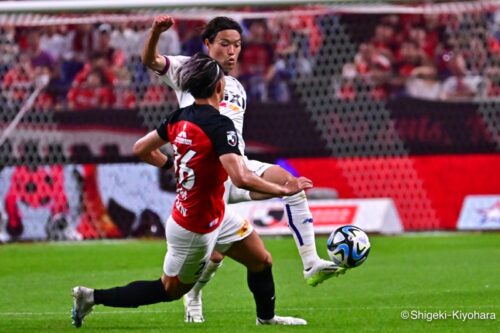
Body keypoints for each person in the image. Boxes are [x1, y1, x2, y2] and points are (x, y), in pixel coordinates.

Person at [71, 53, 311, 327]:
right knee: (168, 290)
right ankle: (91, 297)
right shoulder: (220, 125)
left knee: (261, 260)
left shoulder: (179, 117)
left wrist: (170, 165)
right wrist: (283, 189)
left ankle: (266, 319)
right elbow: (241, 178)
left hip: (211, 213)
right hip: (195, 229)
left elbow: (141, 148)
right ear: (219, 87)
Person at [141, 15, 346, 323]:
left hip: (237, 165)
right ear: (208, 44)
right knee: (215, 257)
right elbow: (150, 60)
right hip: (212, 175)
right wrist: (156, 31)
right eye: (224, 44)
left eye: (237, 45)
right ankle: (193, 295)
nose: (232, 51)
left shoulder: (235, 85)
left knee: (289, 184)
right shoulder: (189, 70)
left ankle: (311, 263)